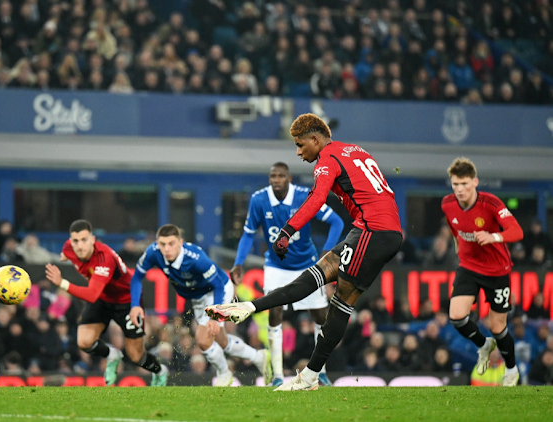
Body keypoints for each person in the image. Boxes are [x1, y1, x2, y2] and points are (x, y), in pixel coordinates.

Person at [205, 113, 403, 391]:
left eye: (300, 145)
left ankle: (310, 376)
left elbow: (317, 198)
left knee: (339, 305)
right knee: (313, 277)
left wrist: (287, 231)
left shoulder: (327, 160)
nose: (298, 152)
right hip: (376, 229)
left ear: (315, 139)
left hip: (373, 231)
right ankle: (248, 307)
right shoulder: (354, 150)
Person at [232, 162, 343, 386]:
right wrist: (238, 263)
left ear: (289, 178)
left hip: (307, 264)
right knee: (274, 313)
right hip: (276, 266)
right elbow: (248, 234)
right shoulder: (259, 199)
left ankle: (319, 370)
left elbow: (336, 222)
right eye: (272, 175)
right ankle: (278, 376)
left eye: (281, 175)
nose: (276, 179)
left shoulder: (305, 196)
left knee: (320, 317)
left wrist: (327, 253)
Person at [130, 224, 272, 387]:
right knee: (221, 341)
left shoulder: (196, 258)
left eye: (171, 244)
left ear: (180, 243)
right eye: (162, 244)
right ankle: (258, 357)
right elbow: (136, 277)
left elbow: (218, 285)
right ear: (157, 243)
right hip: (198, 298)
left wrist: (215, 315)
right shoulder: (153, 253)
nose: (166, 248)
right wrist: (135, 305)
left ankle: (225, 375)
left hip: (218, 291)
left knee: (203, 339)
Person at [44, 219, 169, 387]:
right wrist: (66, 255)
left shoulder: (104, 258)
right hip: (103, 298)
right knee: (84, 342)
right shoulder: (70, 248)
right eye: (75, 241)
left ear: (93, 240)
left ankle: (160, 371)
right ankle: (112, 355)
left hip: (126, 301)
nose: (80, 245)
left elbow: (91, 295)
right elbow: (67, 253)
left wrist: (62, 283)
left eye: (84, 240)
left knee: (136, 356)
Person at [441, 157, 523, 387]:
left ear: (475, 182)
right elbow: (454, 225)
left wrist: (493, 236)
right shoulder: (447, 204)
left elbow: (517, 231)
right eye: (456, 184)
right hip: (468, 266)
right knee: (456, 316)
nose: (460, 189)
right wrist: (458, 244)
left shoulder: (490, 203)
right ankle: (484, 345)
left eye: (465, 184)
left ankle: (511, 369)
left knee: (498, 327)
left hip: (497, 270)